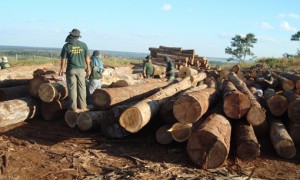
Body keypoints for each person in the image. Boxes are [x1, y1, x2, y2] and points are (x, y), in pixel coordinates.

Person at [59, 28, 90, 111]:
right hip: (81, 70)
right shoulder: (83, 45)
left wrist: (61, 69)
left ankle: (73, 108)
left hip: (71, 70)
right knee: (82, 89)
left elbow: (63, 59)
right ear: (78, 36)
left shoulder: (67, 45)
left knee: (72, 89)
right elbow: (87, 58)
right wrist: (88, 68)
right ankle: (83, 107)